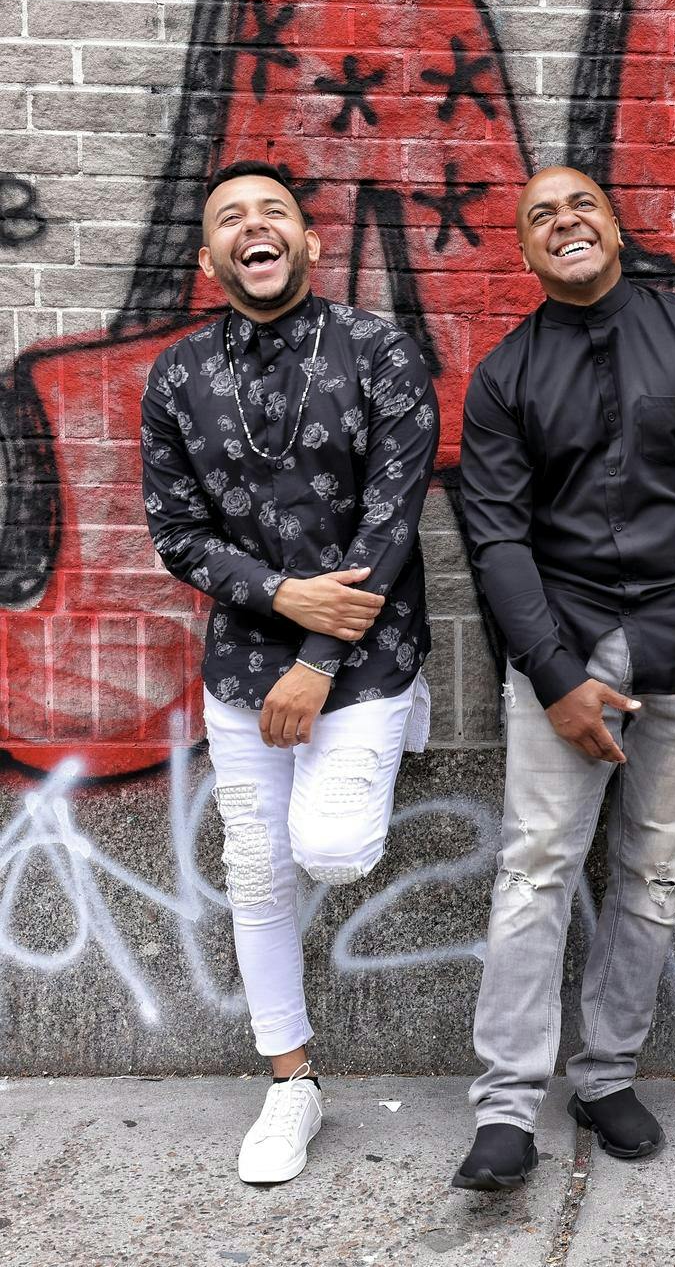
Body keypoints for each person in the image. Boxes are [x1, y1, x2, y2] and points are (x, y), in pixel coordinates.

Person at [451, 167, 675, 1191]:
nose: (564, 222)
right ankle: (505, 1107)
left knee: (651, 869)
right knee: (536, 864)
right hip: (567, 639)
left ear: (616, 225)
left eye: (580, 204)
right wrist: (553, 675)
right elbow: (497, 535)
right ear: (526, 249)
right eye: (540, 214)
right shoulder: (505, 374)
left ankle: (604, 1074)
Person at [140, 160, 438, 1184]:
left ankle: (405, 715)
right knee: (255, 871)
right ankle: (291, 1083)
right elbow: (174, 534)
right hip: (240, 658)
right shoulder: (178, 373)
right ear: (208, 255)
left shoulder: (378, 348)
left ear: (309, 242)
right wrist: (280, 597)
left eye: (273, 212)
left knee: (335, 847)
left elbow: (392, 519)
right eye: (231, 217)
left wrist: (318, 653)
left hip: (364, 652)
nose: (253, 227)